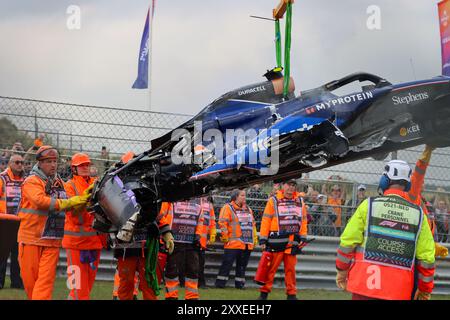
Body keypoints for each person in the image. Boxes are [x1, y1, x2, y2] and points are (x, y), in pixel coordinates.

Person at [335, 159, 436, 300]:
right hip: (399, 291)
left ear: (384, 181)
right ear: (407, 184)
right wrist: (425, 289)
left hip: (364, 286)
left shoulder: (368, 205)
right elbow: (427, 258)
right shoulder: (419, 214)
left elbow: (348, 243)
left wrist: (342, 270)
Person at [16, 146, 92, 300]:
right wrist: (69, 202)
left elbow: (71, 205)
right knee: (31, 286)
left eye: (55, 161)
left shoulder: (59, 182)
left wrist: (85, 198)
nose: (53, 165)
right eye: (49, 161)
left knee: (44, 283)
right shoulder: (32, 181)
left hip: (52, 241)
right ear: (40, 163)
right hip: (31, 240)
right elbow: (40, 201)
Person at [112, 152, 174, 300]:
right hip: (126, 247)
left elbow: (158, 215)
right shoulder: (114, 190)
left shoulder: (150, 186)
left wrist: (166, 233)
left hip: (148, 245)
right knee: (126, 284)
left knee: (149, 284)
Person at [62, 153, 106, 300]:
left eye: (87, 164)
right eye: (81, 165)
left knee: (86, 287)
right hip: (75, 244)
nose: (85, 167)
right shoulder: (69, 186)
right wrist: (86, 200)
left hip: (94, 242)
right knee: (78, 290)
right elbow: (72, 214)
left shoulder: (96, 183)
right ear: (74, 169)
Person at [258, 179, 308, 300]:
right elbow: (266, 220)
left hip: (292, 241)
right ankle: (264, 294)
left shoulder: (300, 201)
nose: (291, 187)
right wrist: (263, 239)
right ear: (282, 185)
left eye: (293, 185)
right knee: (270, 269)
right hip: (276, 241)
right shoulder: (273, 201)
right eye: (288, 184)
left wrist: (303, 237)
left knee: (290, 270)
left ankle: (291, 295)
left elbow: (304, 220)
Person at [160, 198, 208, 300]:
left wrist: (198, 235)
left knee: (193, 271)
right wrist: (166, 233)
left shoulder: (198, 200)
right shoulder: (170, 198)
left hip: (192, 243)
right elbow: (161, 216)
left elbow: (200, 220)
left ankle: (192, 297)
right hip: (174, 241)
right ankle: (171, 296)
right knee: (172, 270)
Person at [215, 189, 257, 289]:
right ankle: (220, 284)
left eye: (244, 195)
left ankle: (240, 284)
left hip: (247, 243)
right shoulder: (227, 207)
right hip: (232, 243)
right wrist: (225, 237)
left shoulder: (248, 209)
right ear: (235, 197)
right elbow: (222, 223)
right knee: (227, 264)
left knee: (242, 266)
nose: (244, 197)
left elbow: (253, 225)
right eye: (242, 195)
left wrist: (254, 239)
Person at [0, 154, 26, 289]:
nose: (20, 165)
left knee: (18, 254)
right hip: (4, 222)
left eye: (22, 162)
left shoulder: (26, 180)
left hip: (20, 222)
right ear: (10, 163)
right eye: (17, 162)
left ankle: (16, 282)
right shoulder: (2, 178)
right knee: (2, 253)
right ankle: (0, 281)